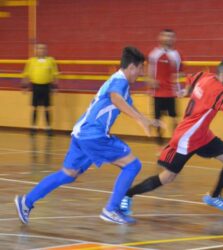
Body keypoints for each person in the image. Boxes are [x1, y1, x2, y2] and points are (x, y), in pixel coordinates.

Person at [15, 46, 163, 225]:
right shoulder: (120, 82)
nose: (141, 73)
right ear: (132, 67)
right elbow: (116, 99)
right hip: (94, 134)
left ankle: (26, 201)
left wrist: (146, 121)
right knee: (132, 165)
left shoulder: (120, 83)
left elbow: (127, 105)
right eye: (141, 69)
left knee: (68, 174)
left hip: (81, 133)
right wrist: (141, 120)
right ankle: (111, 209)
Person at [119, 58, 223, 214]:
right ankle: (128, 194)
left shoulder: (205, 75)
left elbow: (192, 79)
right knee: (168, 177)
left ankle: (214, 196)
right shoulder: (217, 90)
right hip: (186, 138)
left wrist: (186, 91)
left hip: (203, 135)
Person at [147, 29, 184, 147]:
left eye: (171, 37)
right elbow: (148, 72)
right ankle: (160, 145)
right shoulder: (154, 54)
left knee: (174, 119)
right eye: (166, 36)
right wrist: (150, 81)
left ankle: (174, 143)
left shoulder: (177, 55)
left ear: (174, 39)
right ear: (161, 37)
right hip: (157, 93)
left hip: (171, 93)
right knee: (157, 121)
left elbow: (180, 72)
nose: (168, 39)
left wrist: (178, 83)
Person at [22, 44, 59, 136]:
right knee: (35, 108)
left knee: (47, 108)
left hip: (47, 86)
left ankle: (48, 128)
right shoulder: (31, 61)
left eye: (43, 49)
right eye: (39, 49)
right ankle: (33, 128)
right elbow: (26, 74)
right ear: (36, 51)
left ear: (46, 50)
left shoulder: (51, 60)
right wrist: (25, 87)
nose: (41, 50)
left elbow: (55, 75)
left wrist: (55, 87)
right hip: (35, 87)